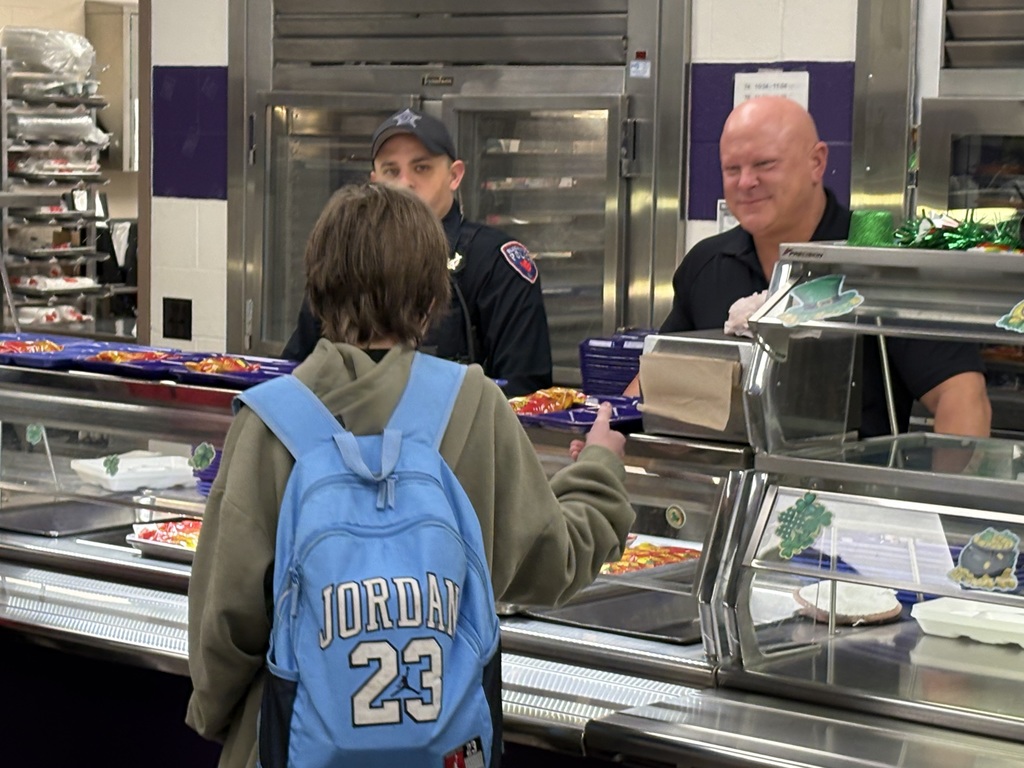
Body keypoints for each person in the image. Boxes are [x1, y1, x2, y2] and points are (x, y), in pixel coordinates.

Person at [186, 182, 635, 768]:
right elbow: (555, 563)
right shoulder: (473, 402)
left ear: (317, 293)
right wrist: (599, 465)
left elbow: (224, 620)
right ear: (431, 301)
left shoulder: (269, 418)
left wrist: (221, 718)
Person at [626, 96, 991, 439]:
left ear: (816, 162)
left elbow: (962, 398)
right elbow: (651, 384)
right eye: (732, 169)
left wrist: (940, 488)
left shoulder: (881, 265)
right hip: (729, 479)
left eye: (765, 164)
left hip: (847, 482)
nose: (746, 182)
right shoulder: (706, 265)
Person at [282, 107, 553, 397]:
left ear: (454, 175)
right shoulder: (346, 254)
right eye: (391, 171)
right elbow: (300, 367)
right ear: (374, 180)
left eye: (421, 168)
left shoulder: (494, 263)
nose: (405, 183)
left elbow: (524, 393)